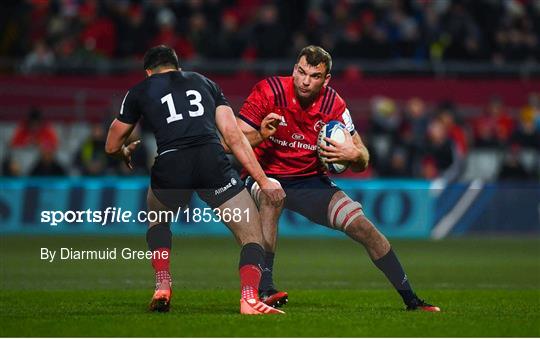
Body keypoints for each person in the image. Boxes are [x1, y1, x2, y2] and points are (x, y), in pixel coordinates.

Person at [235, 45, 440, 312]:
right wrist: (261, 134)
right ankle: (265, 289)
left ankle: (411, 300)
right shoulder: (269, 90)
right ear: (294, 68)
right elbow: (233, 142)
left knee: (363, 226)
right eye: (301, 72)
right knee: (273, 195)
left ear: (326, 79)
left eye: (314, 76)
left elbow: (362, 157)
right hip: (264, 174)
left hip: (309, 181)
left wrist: (353, 153)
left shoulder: (334, 104)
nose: (305, 81)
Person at [105, 45, 286, 315]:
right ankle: (248, 299)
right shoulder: (205, 83)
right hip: (211, 161)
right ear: (178, 67)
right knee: (252, 236)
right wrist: (263, 179)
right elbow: (232, 137)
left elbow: (110, 145)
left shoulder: (139, 91)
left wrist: (124, 150)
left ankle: (162, 284)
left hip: (171, 164)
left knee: (158, 217)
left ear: (148, 72)